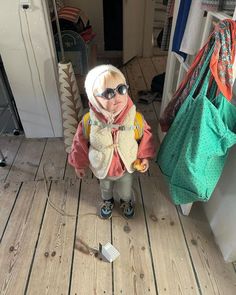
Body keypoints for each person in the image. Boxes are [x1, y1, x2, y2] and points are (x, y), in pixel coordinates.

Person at [68, 64, 155, 219]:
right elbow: (78, 143)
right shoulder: (89, 121)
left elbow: (145, 136)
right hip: (103, 166)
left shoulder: (134, 118)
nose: (116, 97)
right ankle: (108, 201)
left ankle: (125, 201)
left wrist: (144, 157)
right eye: (108, 93)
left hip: (126, 164)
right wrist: (79, 164)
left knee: (125, 190)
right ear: (94, 97)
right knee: (105, 188)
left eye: (121, 89)